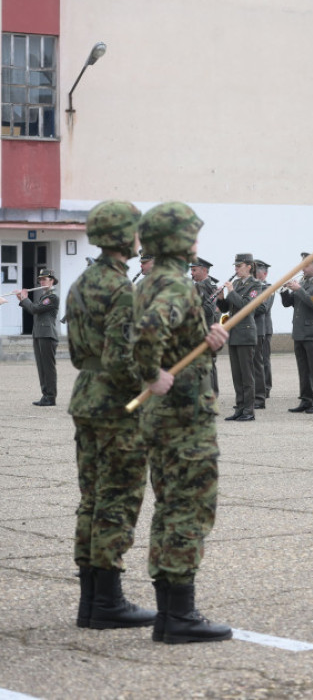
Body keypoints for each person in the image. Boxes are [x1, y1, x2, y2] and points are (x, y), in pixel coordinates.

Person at [133, 201, 232, 644]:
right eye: (192, 234)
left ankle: (171, 610)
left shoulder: (151, 280)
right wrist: (151, 373)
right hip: (183, 417)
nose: (197, 242)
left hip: (168, 415)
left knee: (171, 504)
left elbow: (171, 340)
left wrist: (207, 342)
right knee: (188, 507)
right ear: (177, 240)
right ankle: (179, 616)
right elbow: (147, 335)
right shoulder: (174, 284)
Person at [67, 200, 155, 631]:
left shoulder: (81, 282)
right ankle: (108, 602)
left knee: (92, 499)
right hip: (116, 407)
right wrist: (152, 379)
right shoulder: (122, 288)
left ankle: (90, 600)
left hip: (86, 396)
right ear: (126, 236)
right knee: (117, 501)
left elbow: (76, 352)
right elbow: (122, 358)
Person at [216, 253, 260, 421]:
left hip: (246, 333)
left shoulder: (255, 285)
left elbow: (246, 306)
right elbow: (228, 308)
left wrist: (231, 291)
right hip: (234, 333)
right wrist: (221, 299)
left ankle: (249, 410)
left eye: (239, 266)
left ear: (249, 266)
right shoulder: (235, 283)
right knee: (237, 374)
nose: (236, 269)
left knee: (247, 375)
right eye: (235, 266)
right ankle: (239, 408)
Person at [281, 255, 313, 414]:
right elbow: (289, 304)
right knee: (303, 369)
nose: (302, 269)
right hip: (300, 332)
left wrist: (299, 290)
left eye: (305, 266)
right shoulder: (302, 283)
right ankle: (306, 399)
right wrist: (284, 290)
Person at [19, 267, 60, 406]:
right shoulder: (43, 297)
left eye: (44, 279)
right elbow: (33, 309)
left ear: (52, 281)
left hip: (47, 335)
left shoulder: (52, 297)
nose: (42, 282)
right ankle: (45, 395)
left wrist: (25, 298)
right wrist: (22, 299)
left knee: (48, 367)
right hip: (39, 334)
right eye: (40, 280)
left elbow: (35, 309)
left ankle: (50, 396)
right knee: (41, 367)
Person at [190, 257, 220, 396]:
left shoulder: (207, 286)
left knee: (208, 364)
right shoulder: (198, 285)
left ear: (204, 270)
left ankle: (212, 393)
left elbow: (209, 310)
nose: (192, 273)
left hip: (206, 330)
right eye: (191, 270)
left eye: (194, 270)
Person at [252, 260, 273, 410]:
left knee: (264, 359)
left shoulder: (268, 288)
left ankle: (266, 388)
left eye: (258, 272)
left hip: (264, 328)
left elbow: (264, 308)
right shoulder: (254, 287)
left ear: (265, 274)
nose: (256, 275)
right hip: (253, 328)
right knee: (256, 360)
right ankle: (257, 387)